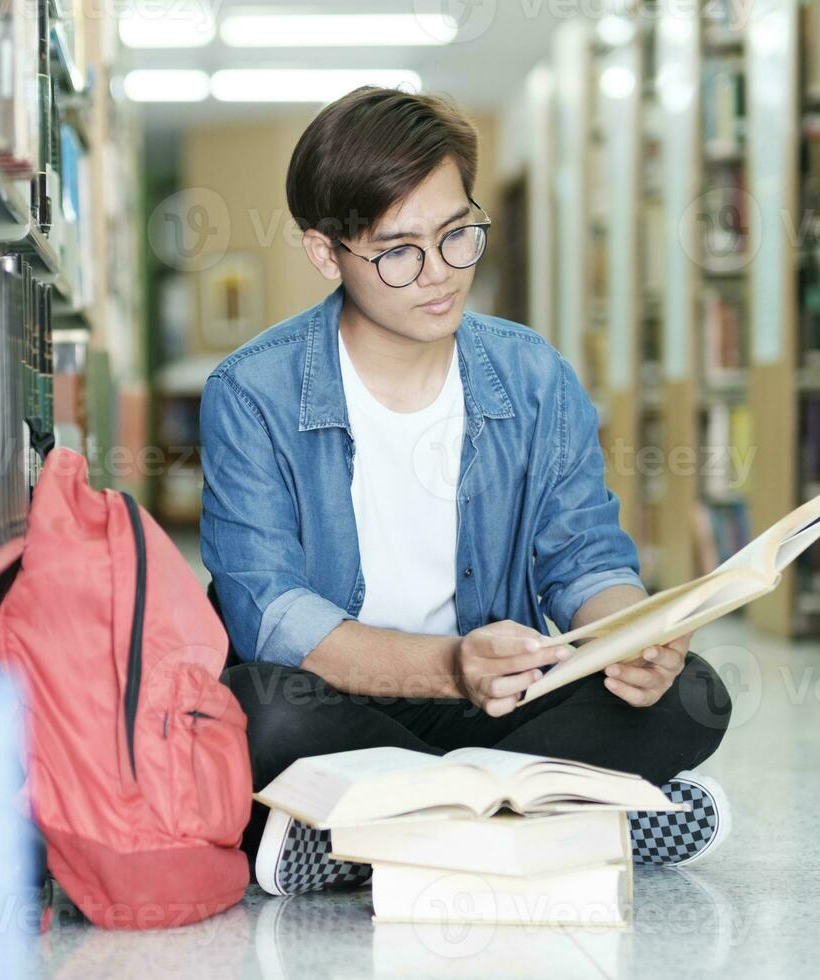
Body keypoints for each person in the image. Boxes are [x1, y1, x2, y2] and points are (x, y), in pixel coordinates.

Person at [199, 86, 732, 897]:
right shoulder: (252, 392)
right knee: (260, 709)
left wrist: (634, 637)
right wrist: (451, 666)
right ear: (325, 252)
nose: (440, 275)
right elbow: (269, 614)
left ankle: (366, 834)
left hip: (501, 702)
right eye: (400, 251)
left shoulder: (532, 373)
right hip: (347, 702)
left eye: (458, 235)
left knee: (691, 696)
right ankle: (576, 814)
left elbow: (584, 556)